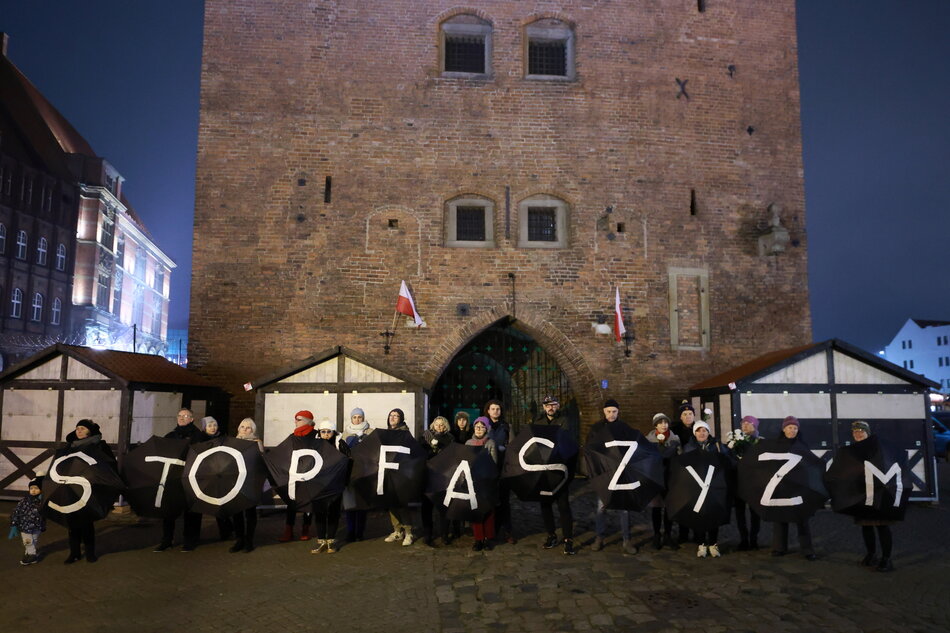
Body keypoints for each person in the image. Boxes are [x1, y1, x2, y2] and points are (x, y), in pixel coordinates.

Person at [61, 419, 115, 563]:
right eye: (77, 428)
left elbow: (109, 467)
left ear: (90, 431)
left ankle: (90, 553)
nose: (78, 431)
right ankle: (74, 553)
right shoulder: (70, 447)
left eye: (83, 428)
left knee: (86, 522)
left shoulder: (100, 447)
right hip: (71, 488)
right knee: (72, 523)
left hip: (91, 489)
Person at [156, 408, 205, 552]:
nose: (182, 418)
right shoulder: (171, 435)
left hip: (191, 477)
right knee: (168, 510)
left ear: (192, 419)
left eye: (186, 416)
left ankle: (191, 540)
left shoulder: (198, 437)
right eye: (180, 416)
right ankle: (166, 540)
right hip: (173, 477)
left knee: (192, 511)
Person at [588, 398, 633, 555]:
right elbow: (590, 450)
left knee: (624, 508)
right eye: (609, 411)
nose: (611, 414)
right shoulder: (597, 428)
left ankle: (627, 539)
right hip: (604, 473)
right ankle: (599, 537)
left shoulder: (624, 428)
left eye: (614, 411)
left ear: (618, 412)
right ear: (604, 412)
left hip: (621, 472)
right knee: (601, 507)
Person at [850, 420, 895, 572]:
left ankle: (887, 558)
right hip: (862, 493)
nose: (858, 434)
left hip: (879, 492)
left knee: (882, 525)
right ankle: (871, 554)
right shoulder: (853, 450)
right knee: (866, 525)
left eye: (861, 431)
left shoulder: (878, 448)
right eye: (855, 432)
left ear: (867, 433)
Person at [770, 416, 817, 561]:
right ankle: (779, 547)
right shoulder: (776, 445)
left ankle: (807, 549)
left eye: (795, 428)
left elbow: (809, 465)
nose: (792, 430)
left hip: (798, 487)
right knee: (780, 517)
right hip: (781, 486)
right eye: (790, 427)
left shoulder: (802, 445)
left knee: (802, 518)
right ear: (784, 429)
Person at [683, 420, 731, 558]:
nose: (702, 433)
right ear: (695, 433)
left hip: (714, 484)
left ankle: (713, 543)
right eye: (699, 430)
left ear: (708, 432)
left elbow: (725, 461)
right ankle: (701, 544)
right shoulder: (689, 447)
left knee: (713, 514)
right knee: (699, 515)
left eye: (704, 430)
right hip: (697, 485)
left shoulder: (716, 445)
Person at [311, 420, 349, 554]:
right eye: (323, 432)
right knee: (320, 513)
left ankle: (331, 541)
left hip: (335, 484)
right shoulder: (314, 445)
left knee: (333, 512)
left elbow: (348, 461)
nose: (326, 434)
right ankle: (321, 541)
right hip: (318, 485)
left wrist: (345, 481)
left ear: (333, 433)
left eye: (328, 432)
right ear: (319, 433)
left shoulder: (340, 445)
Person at [645, 412, 681, 550]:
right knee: (656, 507)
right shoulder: (648, 440)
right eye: (660, 422)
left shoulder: (674, 438)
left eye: (665, 422)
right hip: (655, 476)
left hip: (670, 476)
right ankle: (656, 535)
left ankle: (667, 534)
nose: (663, 425)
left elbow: (680, 456)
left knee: (668, 507)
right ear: (655, 425)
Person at [280, 410, 317, 542]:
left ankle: (305, 529)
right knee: (292, 503)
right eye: (295, 419)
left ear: (307, 421)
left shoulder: (315, 435)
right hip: (294, 475)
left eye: (298, 419)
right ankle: (288, 530)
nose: (295, 421)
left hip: (310, 474)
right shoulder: (292, 436)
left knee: (308, 503)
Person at [420, 416, 456, 546]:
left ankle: (444, 533)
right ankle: (427, 533)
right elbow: (419, 453)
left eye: (442, 425)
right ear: (433, 425)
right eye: (437, 425)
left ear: (445, 426)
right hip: (428, 475)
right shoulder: (425, 437)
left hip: (444, 477)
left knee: (444, 506)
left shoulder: (450, 439)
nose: (439, 427)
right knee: (427, 507)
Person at [383, 408, 416, 546]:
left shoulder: (405, 434)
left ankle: (408, 532)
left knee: (402, 503)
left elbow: (411, 452)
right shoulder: (385, 433)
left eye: (396, 416)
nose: (393, 418)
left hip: (401, 473)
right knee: (391, 502)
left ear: (401, 419)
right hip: (388, 472)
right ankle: (397, 530)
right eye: (391, 415)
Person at [230, 417, 262, 553]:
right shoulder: (232, 442)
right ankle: (239, 539)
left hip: (250, 481)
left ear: (253, 430)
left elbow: (260, 461)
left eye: (248, 427)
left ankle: (249, 540)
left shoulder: (256, 442)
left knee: (250, 512)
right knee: (236, 511)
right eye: (242, 427)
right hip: (235, 481)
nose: (245, 429)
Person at [730, 415, 762, 550]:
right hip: (739, 481)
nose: (745, 425)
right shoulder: (735, 441)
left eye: (749, 423)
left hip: (754, 483)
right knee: (740, 512)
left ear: (755, 426)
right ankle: (743, 539)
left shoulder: (760, 442)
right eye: (744, 423)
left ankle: (754, 539)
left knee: (755, 512)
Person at [484, 399, 514, 543]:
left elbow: (513, 445)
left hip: (503, 467)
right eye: (493, 409)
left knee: (504, 501)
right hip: (487, 468)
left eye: (498, 409)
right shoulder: (482, 425)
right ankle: (491, 530)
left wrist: (506, 450)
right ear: (488, 411)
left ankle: (507, 530)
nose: (495, 411)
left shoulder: (506, 426)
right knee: (489, 500)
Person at [466, 417, 497, 551]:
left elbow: (494, 462)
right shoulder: (468, 443)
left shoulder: (490, 443)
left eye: (482, 427)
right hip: (473, 481)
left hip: (487, 480)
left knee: (488, 510)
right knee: (476, 511)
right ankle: (478, 539)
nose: (479, 429)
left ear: (487, 429)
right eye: (477, 427)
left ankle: (488, 538)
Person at [342, 407, 373, 542]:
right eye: (354, 417)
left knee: (361, 504)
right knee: (349, 505)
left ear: (363, 418)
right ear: (351, 418)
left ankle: (360, 532)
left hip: (364, 472)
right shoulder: (345, 434)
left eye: (359, 417)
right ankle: (350, 532)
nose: (357, 419)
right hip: (349, 472)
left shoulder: (370, 432)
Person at [201, 415, 233, 541]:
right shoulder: (201, 440)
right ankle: (226, 528)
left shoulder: (223, 439)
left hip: (221, 474)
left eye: (214, 425)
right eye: (209, 425)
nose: (213, 428)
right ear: (204, 427)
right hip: (209, 475)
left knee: (222, 503)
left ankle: (226, 529)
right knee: (215, 504)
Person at [671, 401, 698, 544]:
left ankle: (696, 531)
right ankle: (683, 533)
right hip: (681, 471)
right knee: (683, 503)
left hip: (696, 472)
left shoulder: (699, 429)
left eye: (690, 414)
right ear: (680, 417)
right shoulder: (675, 430)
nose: (688, 417)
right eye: (685, 414)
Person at [11, 476, 46, 565]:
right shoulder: (24, 501)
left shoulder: (42, 501)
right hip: (25, 526)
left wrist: (43, 525)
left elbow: (45, 514)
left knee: (34, 540)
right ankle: (32, 555)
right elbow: (16, 512)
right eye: (31, 488)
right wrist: (14, 524)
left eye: (36, 488)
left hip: (37, 526)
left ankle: (28, 553)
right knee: (27, 541)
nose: (33, 490)